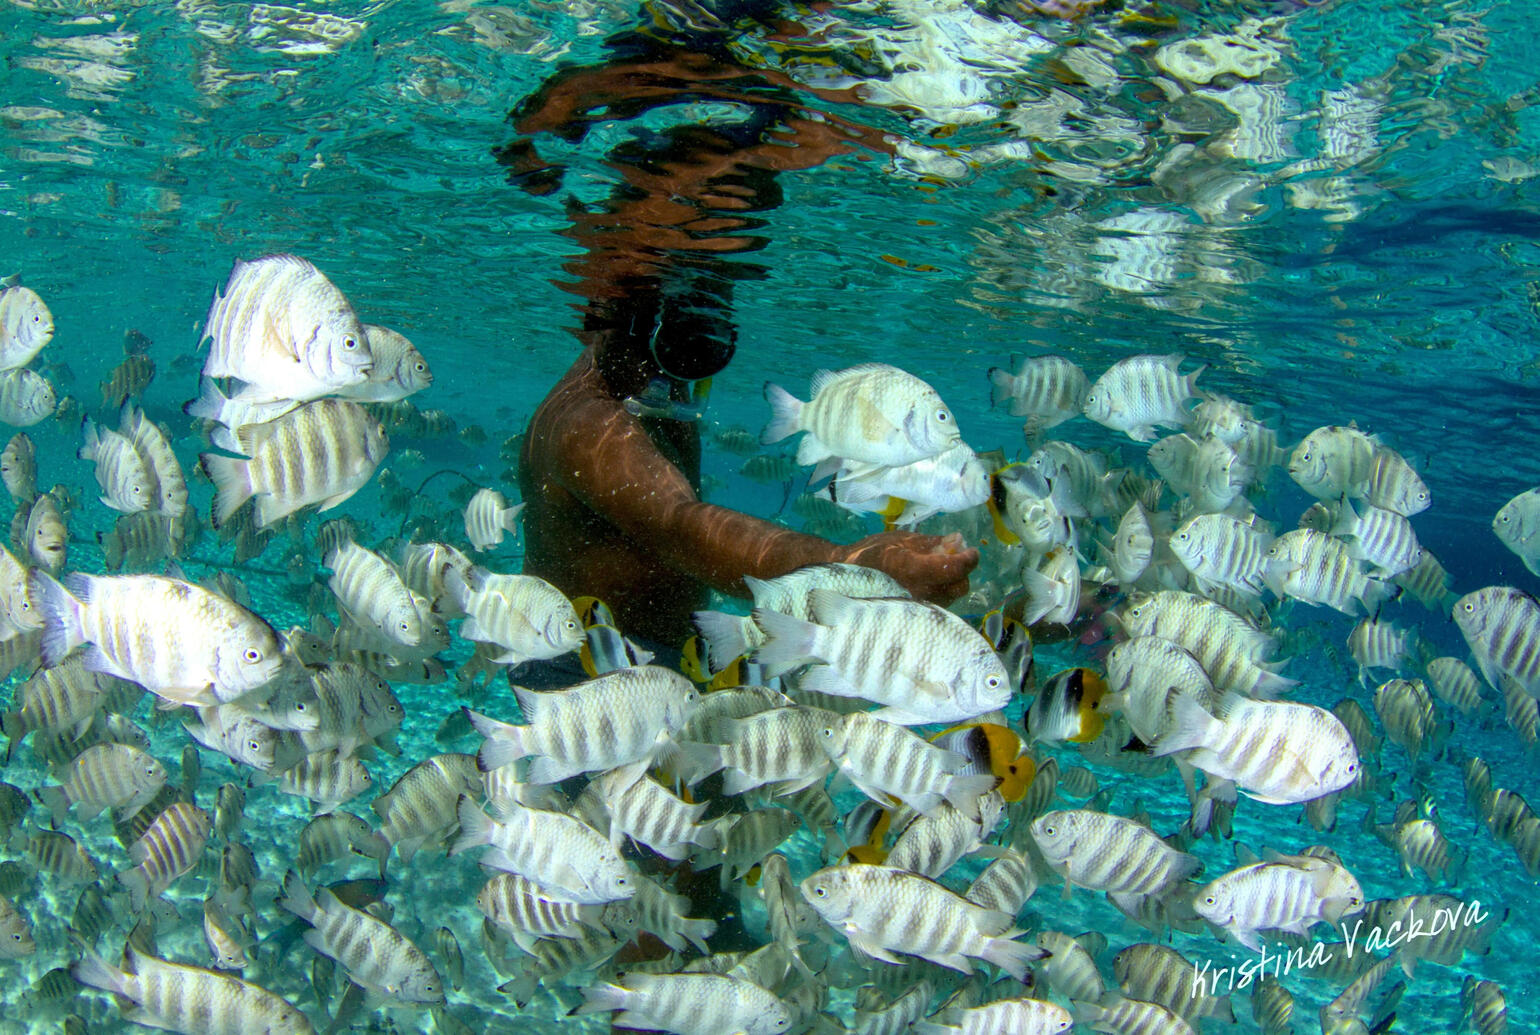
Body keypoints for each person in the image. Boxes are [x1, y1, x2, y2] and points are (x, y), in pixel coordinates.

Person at [507, 10, 979, 652]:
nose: (689, 367)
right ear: (628, 313)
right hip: (585, 687)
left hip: (659, 678)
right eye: (688, 335)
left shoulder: (644, 403)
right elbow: (681, 527)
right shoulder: (586, 421)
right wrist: (856, 567)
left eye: (708, 340)